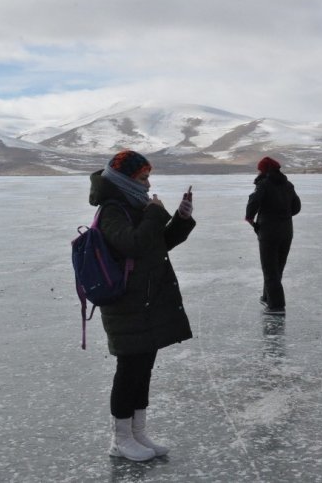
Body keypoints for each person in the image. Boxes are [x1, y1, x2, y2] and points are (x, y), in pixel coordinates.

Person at [88, 149, 196, 462]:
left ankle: (137, 432)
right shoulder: (112, 209)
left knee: (143, 369)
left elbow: (154, 245)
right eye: (143, 178)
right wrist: (154, 213)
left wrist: (180, 219)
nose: (148, 185)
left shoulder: (132, 203)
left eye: (148, 178)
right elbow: (132, 244)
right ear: (125, 179)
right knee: (129, 370)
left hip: (145, 300)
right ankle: (120, 439)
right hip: (125, 303)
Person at [245, 156, 301, 315]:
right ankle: (267, 297)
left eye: (260, 169)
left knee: (270, 269)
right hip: (287, 231)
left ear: (264, 170)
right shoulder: (288, 185)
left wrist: (250, 218)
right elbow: (296, 207)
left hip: (268, 231)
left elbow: (253, 203)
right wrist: (284, 214)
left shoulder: (263, 185)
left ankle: (276, 306)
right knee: (277, 267)